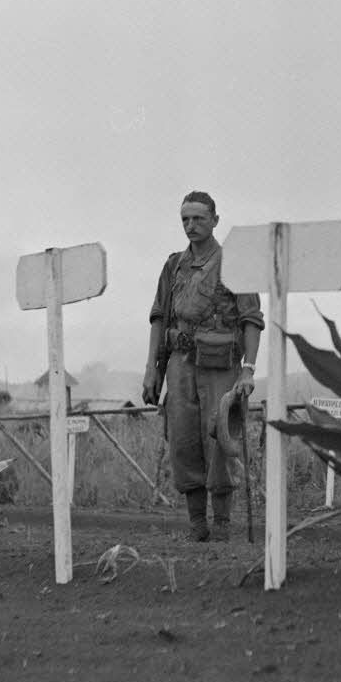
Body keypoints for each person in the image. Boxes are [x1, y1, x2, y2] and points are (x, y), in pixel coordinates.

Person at [143, 192, 263, 542]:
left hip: (219, 366)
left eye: (198, 218)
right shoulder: (173, 265)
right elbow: (159, 318)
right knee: (182, 439)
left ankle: (223, 524)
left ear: (215, 220)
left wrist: (249, 370)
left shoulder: (235, 261)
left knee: (221, 437)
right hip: (180, 365)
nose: (191, 225)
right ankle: (197, 523)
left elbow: (251, 320)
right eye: (185, 219)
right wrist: (153, 369)